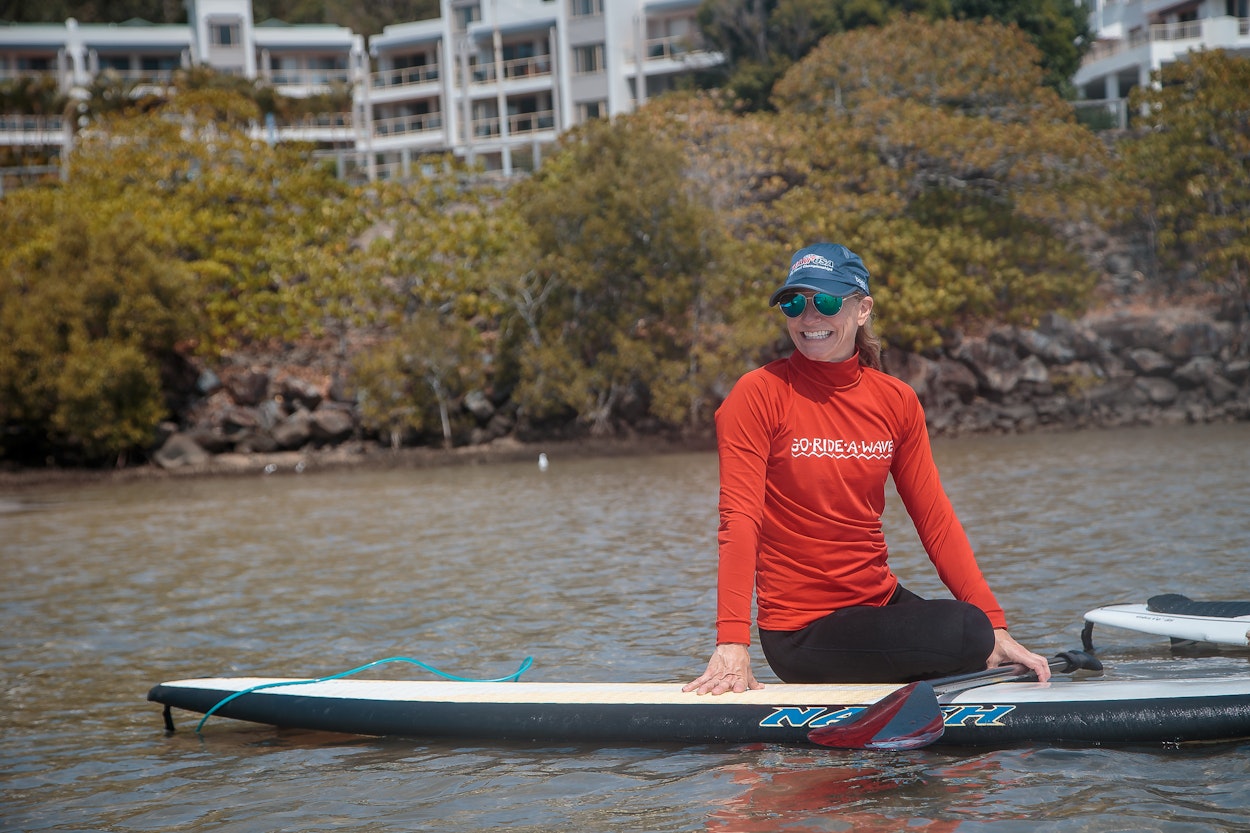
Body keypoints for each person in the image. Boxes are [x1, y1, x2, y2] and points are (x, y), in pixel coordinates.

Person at [685, 243, 1050, 696]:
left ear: (862, 310)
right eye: (794, 303)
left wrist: (997, 626)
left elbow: (934, 520)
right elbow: (738, 521)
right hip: (802, 633)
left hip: (876, 605)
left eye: (826, 302)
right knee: (964, 632)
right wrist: (732, 643)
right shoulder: (758, 394)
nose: (808, 317)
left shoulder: (895, 400)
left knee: (974, 630)